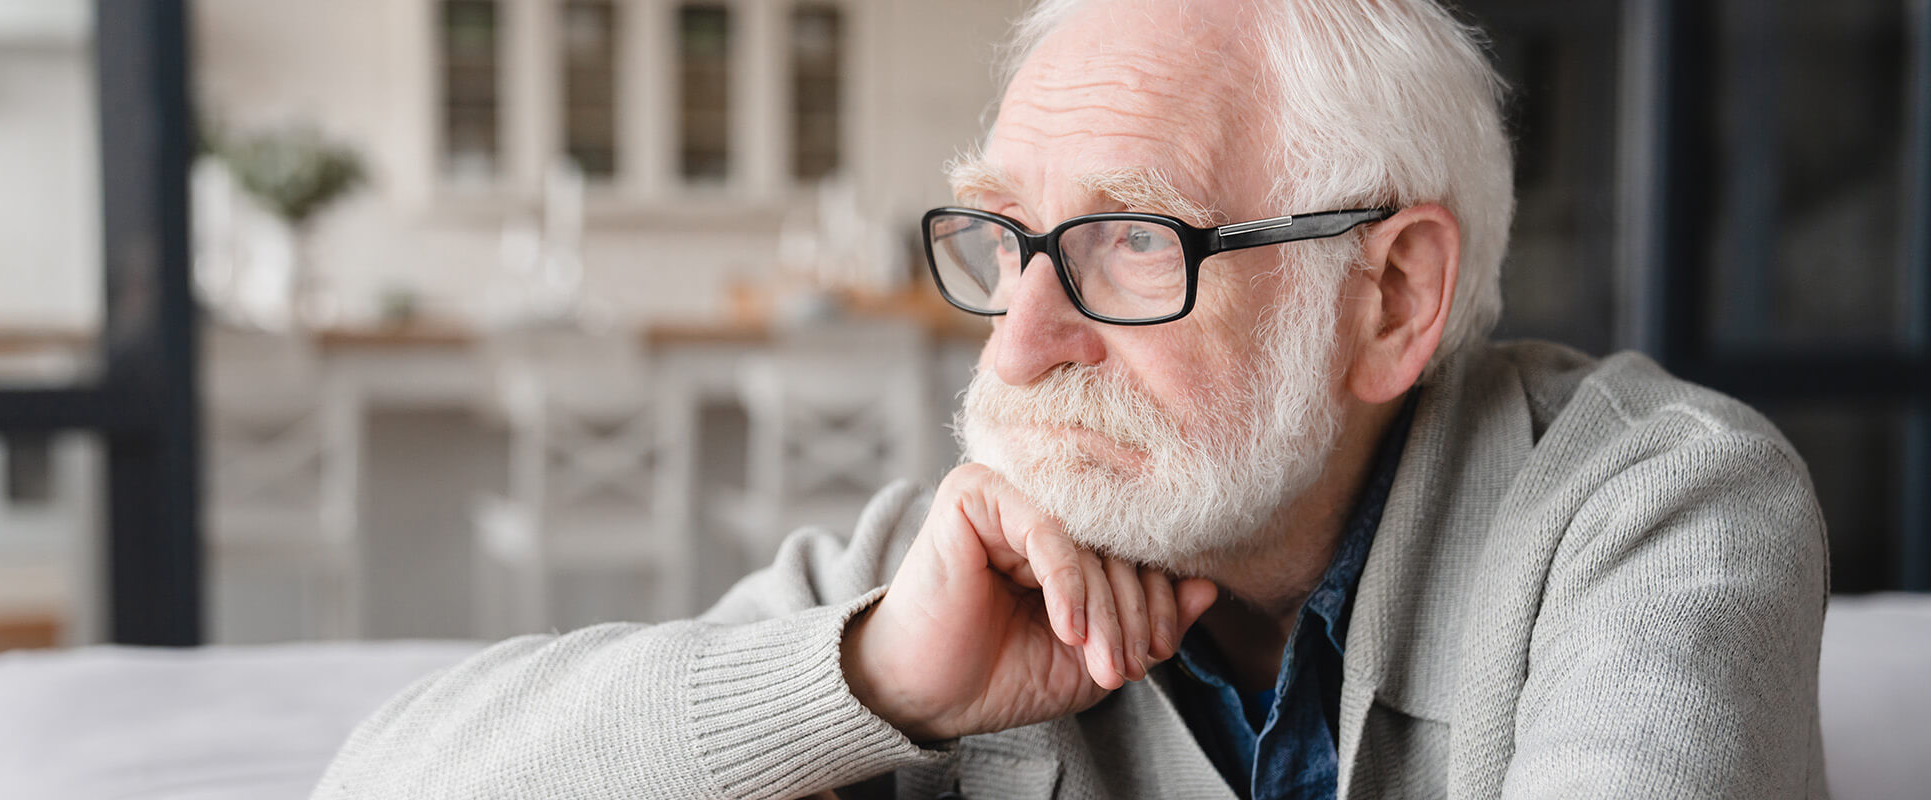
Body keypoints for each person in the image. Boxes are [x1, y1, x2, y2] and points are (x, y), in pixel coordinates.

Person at [312, 0, 1829, 797]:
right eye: (1003, 239)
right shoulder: (960, 571)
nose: (1019, 339)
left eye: (1128, 240)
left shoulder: (1657, 513)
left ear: (1390, 300)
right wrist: (866, 683)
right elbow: (375, 787)